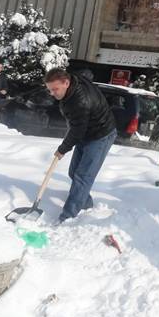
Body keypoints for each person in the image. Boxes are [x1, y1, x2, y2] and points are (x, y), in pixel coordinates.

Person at [45, 68, 117, 223]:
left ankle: (67, 216)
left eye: (55, 89)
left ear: (66, 83)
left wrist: (62, 149)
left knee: (82, 177)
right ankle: (85, 202)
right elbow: (86, 74)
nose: (52, 94)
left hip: (100, 135)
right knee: (73, 172)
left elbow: (77, 131)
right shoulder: (72, 81)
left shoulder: (80, 101)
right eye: (50, 90)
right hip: (87, 131)